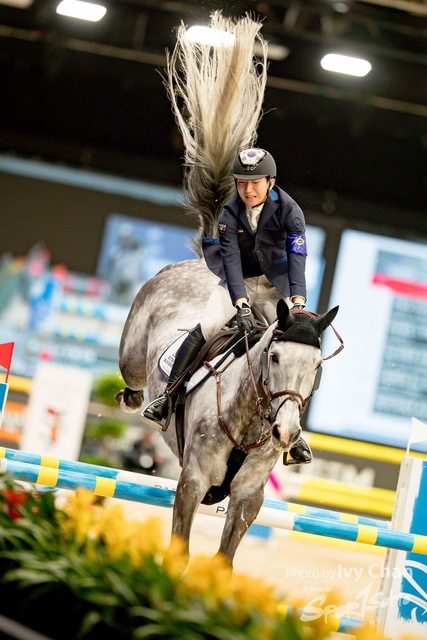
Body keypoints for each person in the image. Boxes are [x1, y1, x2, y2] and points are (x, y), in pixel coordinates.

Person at [143, 147, 312, 463]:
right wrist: (241, 304)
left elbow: (297, 257)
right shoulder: (230, 213)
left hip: (274, 285)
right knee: (207, 326)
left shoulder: (291, 211)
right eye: (242, 183)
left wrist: (298, 301)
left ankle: (295, 432)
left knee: (296, 345)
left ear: (271, 182)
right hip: (239, 281)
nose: (248, 190)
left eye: (255, 183)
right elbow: (231, 261)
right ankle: (167, 398)